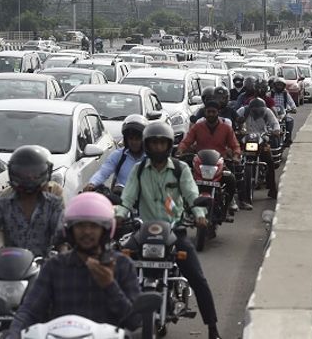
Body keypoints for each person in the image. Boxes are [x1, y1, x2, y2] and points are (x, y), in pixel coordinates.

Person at [119, 122, 222, 339]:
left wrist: (200, 215)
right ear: (147, 145)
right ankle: (111, 325)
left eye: (161, 143)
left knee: (197, 278)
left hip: (174, 231)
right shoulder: (138, 171)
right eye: (153, 143)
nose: (157, 147)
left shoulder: (180, 169)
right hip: (143, 232)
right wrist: (115, 216)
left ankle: (213, 328)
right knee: (116, 269)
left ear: (169, 145)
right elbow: (126, 199)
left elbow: (192, 195)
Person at [6, 193, 141, 338]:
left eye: (94, 225)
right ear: (70, 229)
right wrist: (13, 335)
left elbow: (135, 321)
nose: (87, 231)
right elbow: (30, 310)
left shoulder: (122, 265)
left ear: (106, 229)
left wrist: (109, 285)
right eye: (81, 225)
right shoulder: (55, 266)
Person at [0, 145, 64, 265]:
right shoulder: (3, 204)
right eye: (24, 173)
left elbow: (61, 234)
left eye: (34, 173)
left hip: (44, 268)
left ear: (44, 173)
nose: (29, 177)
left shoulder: (53, 204)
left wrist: (64, 254)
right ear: (14, 173)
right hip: (10, 266)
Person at [177, 100, 240, 212]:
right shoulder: (197, 127)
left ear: (218, 112)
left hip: (220, 162)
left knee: (231, 179)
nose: (211, 114)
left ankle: (229, 202)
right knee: (183, 178)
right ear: (205, 112)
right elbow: (187, 141)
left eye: (213, 112)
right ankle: (183, 204)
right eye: (208, 112)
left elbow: (235, 144)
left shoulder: (226, 128)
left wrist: (235, 155)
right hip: (199, 163)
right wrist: (180, 150)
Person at [83, 115, 148, 201]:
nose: (134, 142)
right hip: (121, 201)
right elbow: (103, 173)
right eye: (131, 138)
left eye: (137, 139)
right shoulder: (118, 155)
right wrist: (92, 184)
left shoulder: (151, 158)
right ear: (126, 139)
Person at [237, 98, 281, 201]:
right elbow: (235, 120)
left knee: (270, 162)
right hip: (246, 139)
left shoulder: (267, 112)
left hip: (262, 138)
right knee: (235, 160)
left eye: (260, 110)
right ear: (250, 109)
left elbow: (275, 123)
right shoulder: (243, 111)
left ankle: (272, 189)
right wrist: (237, 128)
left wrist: (276, 131)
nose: (257, 112)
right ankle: (237, 185)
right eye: (255, 110)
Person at [269, 78, 296, 146]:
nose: (279, 87)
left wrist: (293, 108)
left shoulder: (285, 94)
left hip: (283, 113)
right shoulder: (270, 93)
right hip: (272, 113)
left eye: (281, 85)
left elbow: (291, 102)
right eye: (278, 85)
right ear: (274, 85)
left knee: (290, 120)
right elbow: (265, 102)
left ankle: (288, 137)